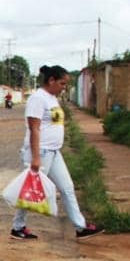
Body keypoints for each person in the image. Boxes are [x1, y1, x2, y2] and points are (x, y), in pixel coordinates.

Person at [10, 65, 103, 241]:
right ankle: (18, 227)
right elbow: (34, 129)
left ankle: (81, 227)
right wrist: (36, 158)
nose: (64, 87)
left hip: (53, 152)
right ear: (51, 80)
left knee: (67, 188)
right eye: (62, 83)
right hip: (41, 152)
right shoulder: (38, 99)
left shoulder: (52, 99)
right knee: (31, 190)